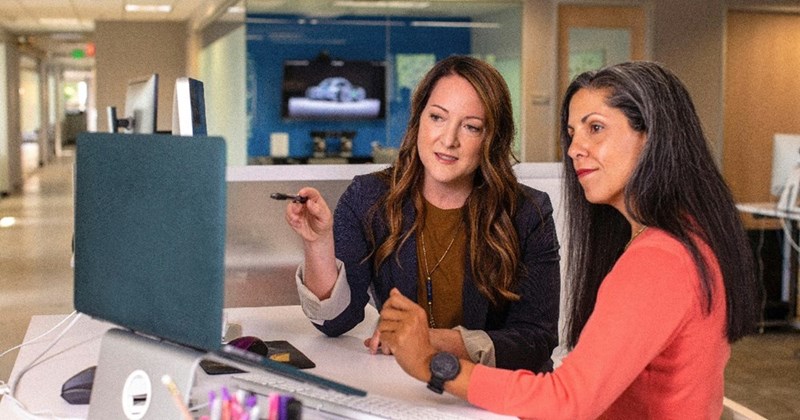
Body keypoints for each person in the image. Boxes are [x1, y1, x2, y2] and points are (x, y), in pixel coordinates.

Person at [377, 61, 761, 418]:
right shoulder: (689, 234)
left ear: (651, 137)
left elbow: (568, 400)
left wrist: (433, 365)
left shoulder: (660, 259)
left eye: (596, 128)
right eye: (572, 133)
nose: (575, 149)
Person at [283, 55, 561, 372]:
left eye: (471, 127)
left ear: (491, 138)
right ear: (419, 120)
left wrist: (426, 339)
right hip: (406, 388)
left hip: (493, 394)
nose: (448, 140)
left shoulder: (528, 212)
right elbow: (334, 321)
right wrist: (318, 243)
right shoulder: (369, 198)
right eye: (438, 118)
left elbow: (535, 342)